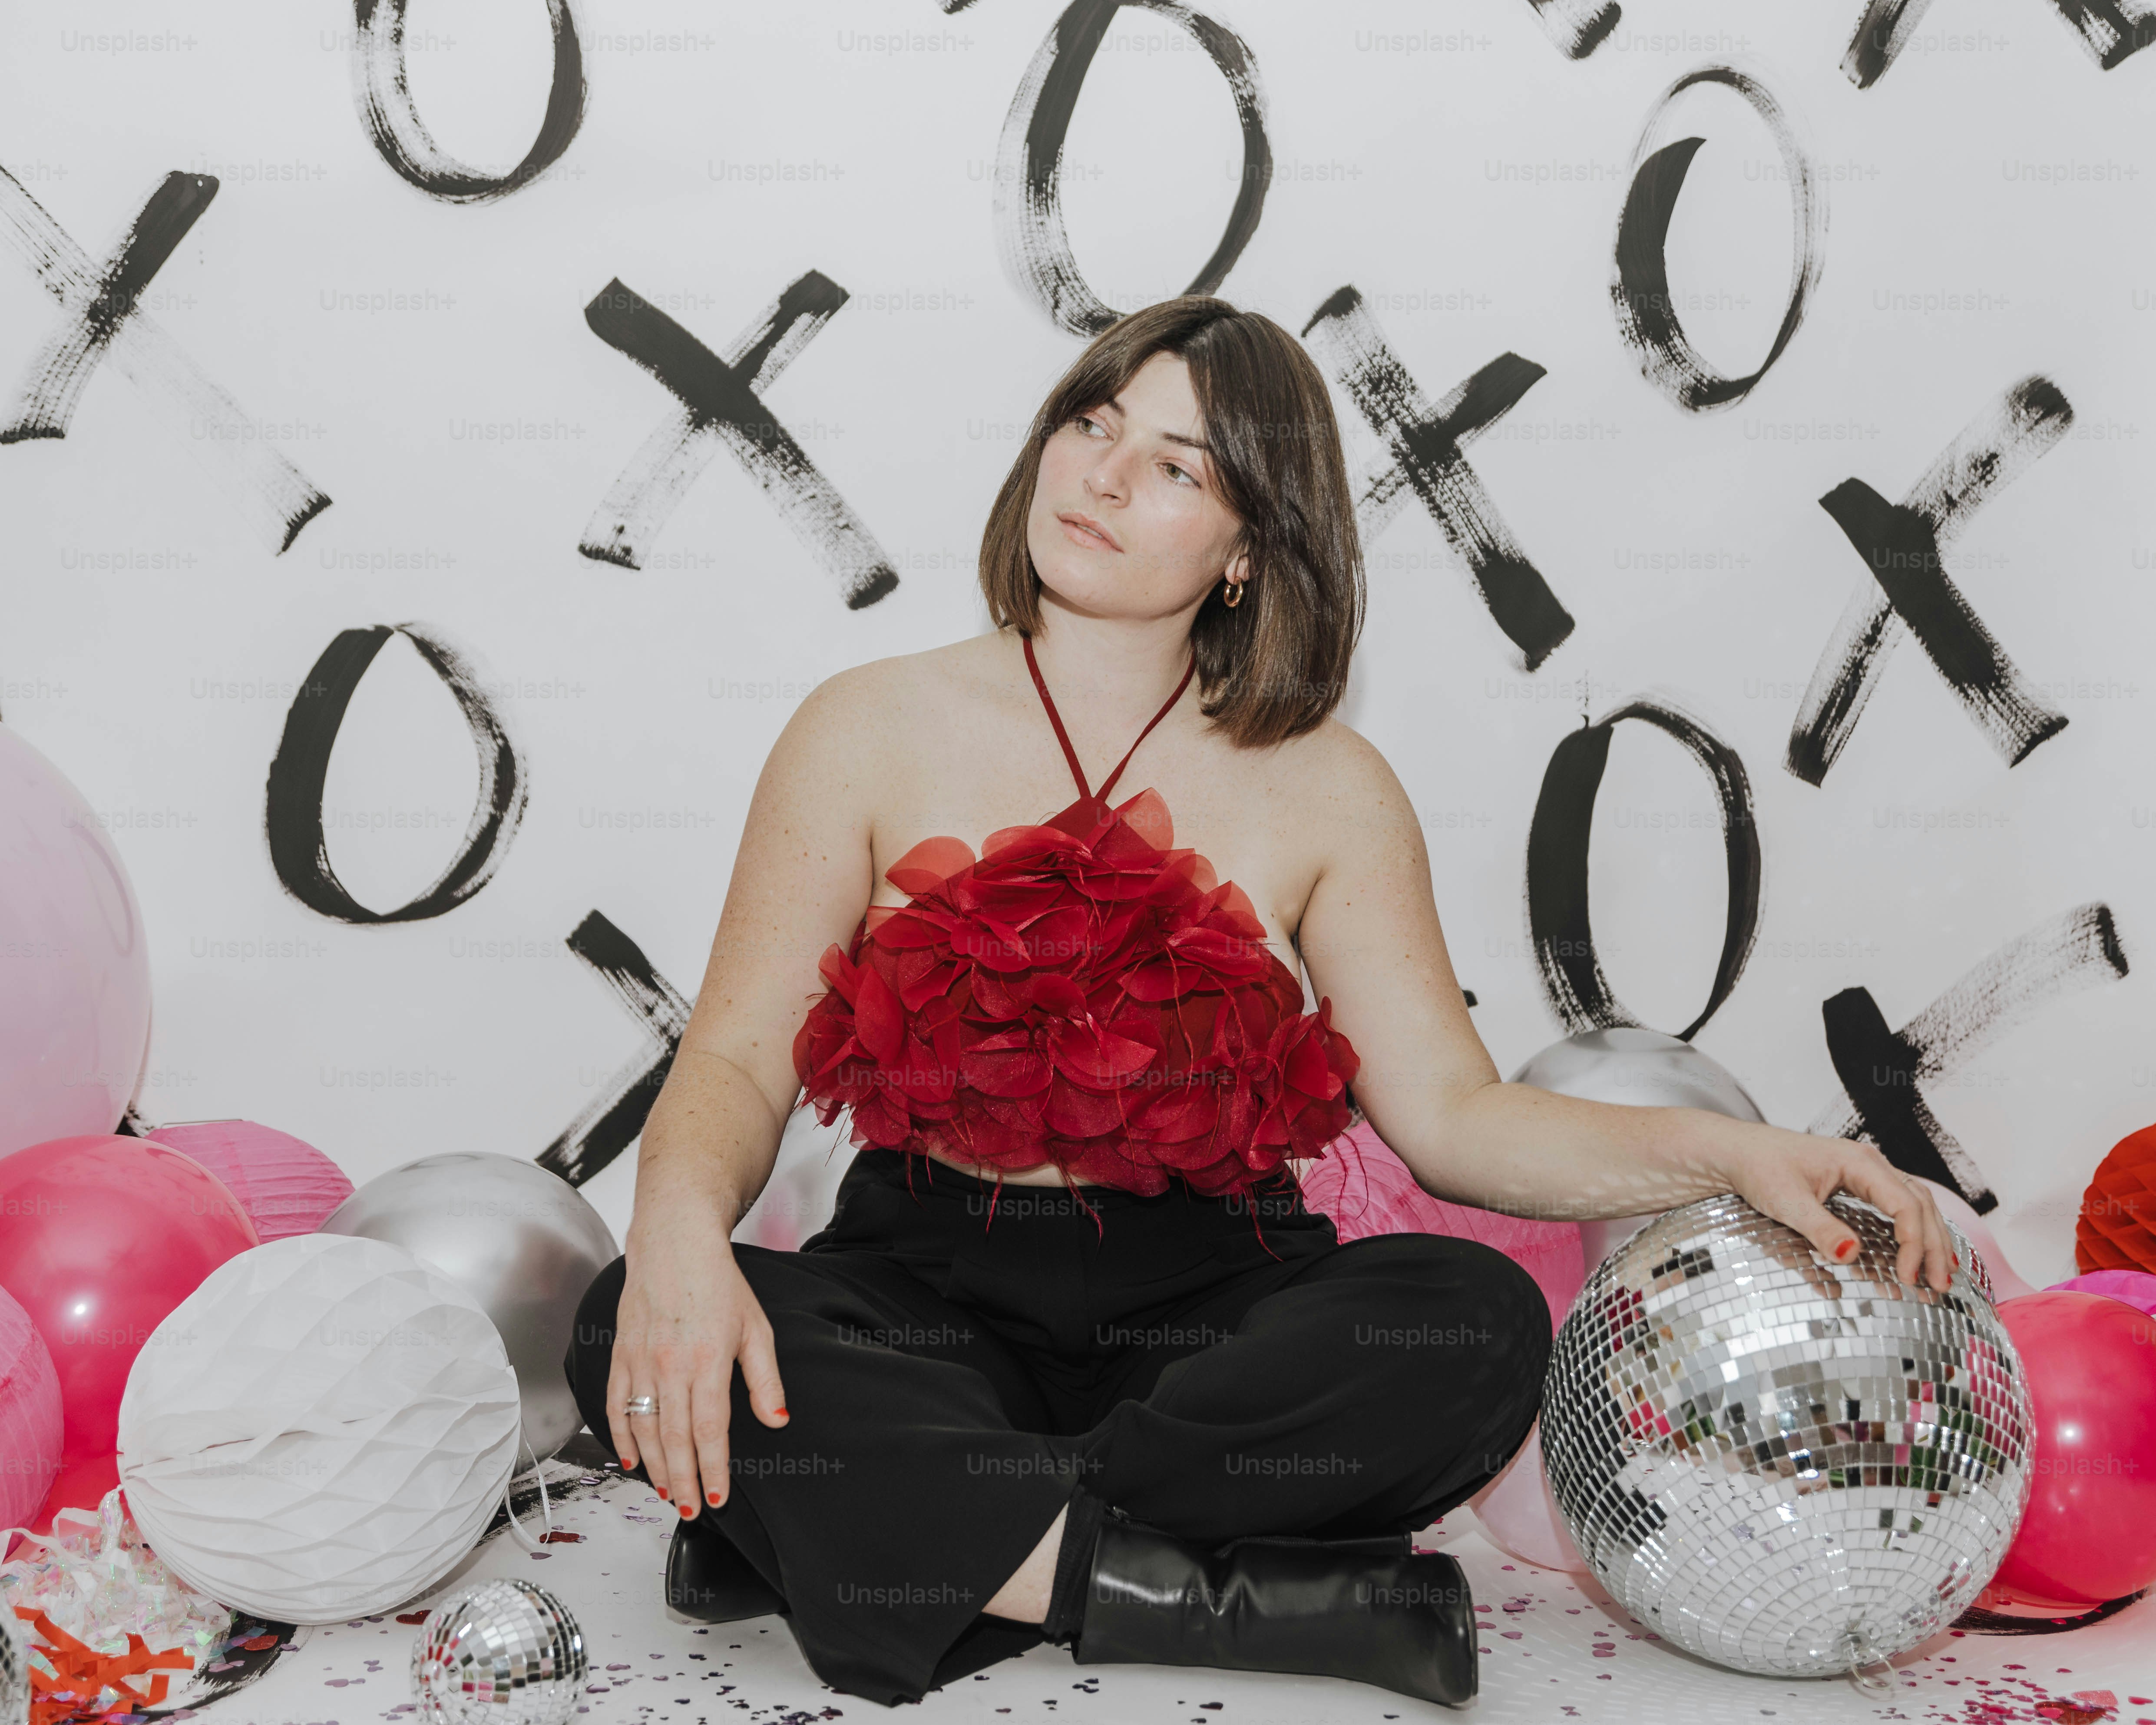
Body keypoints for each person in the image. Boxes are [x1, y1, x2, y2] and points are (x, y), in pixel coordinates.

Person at [563, 295, 1956, 1709]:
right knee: (629, 1306)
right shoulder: (860, 723)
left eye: (1175, 465)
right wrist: (677, 1233)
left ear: (1247, 546)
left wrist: (1736, 1151)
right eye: (1092, 422)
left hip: (1206, 1313)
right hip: (921, 1289)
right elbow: (736, 1060)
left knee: (1472, 1319)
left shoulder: (1330, 785)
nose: (1100, 474)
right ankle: (1195, 1591)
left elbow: (1455, 1119)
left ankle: (855, 1531)